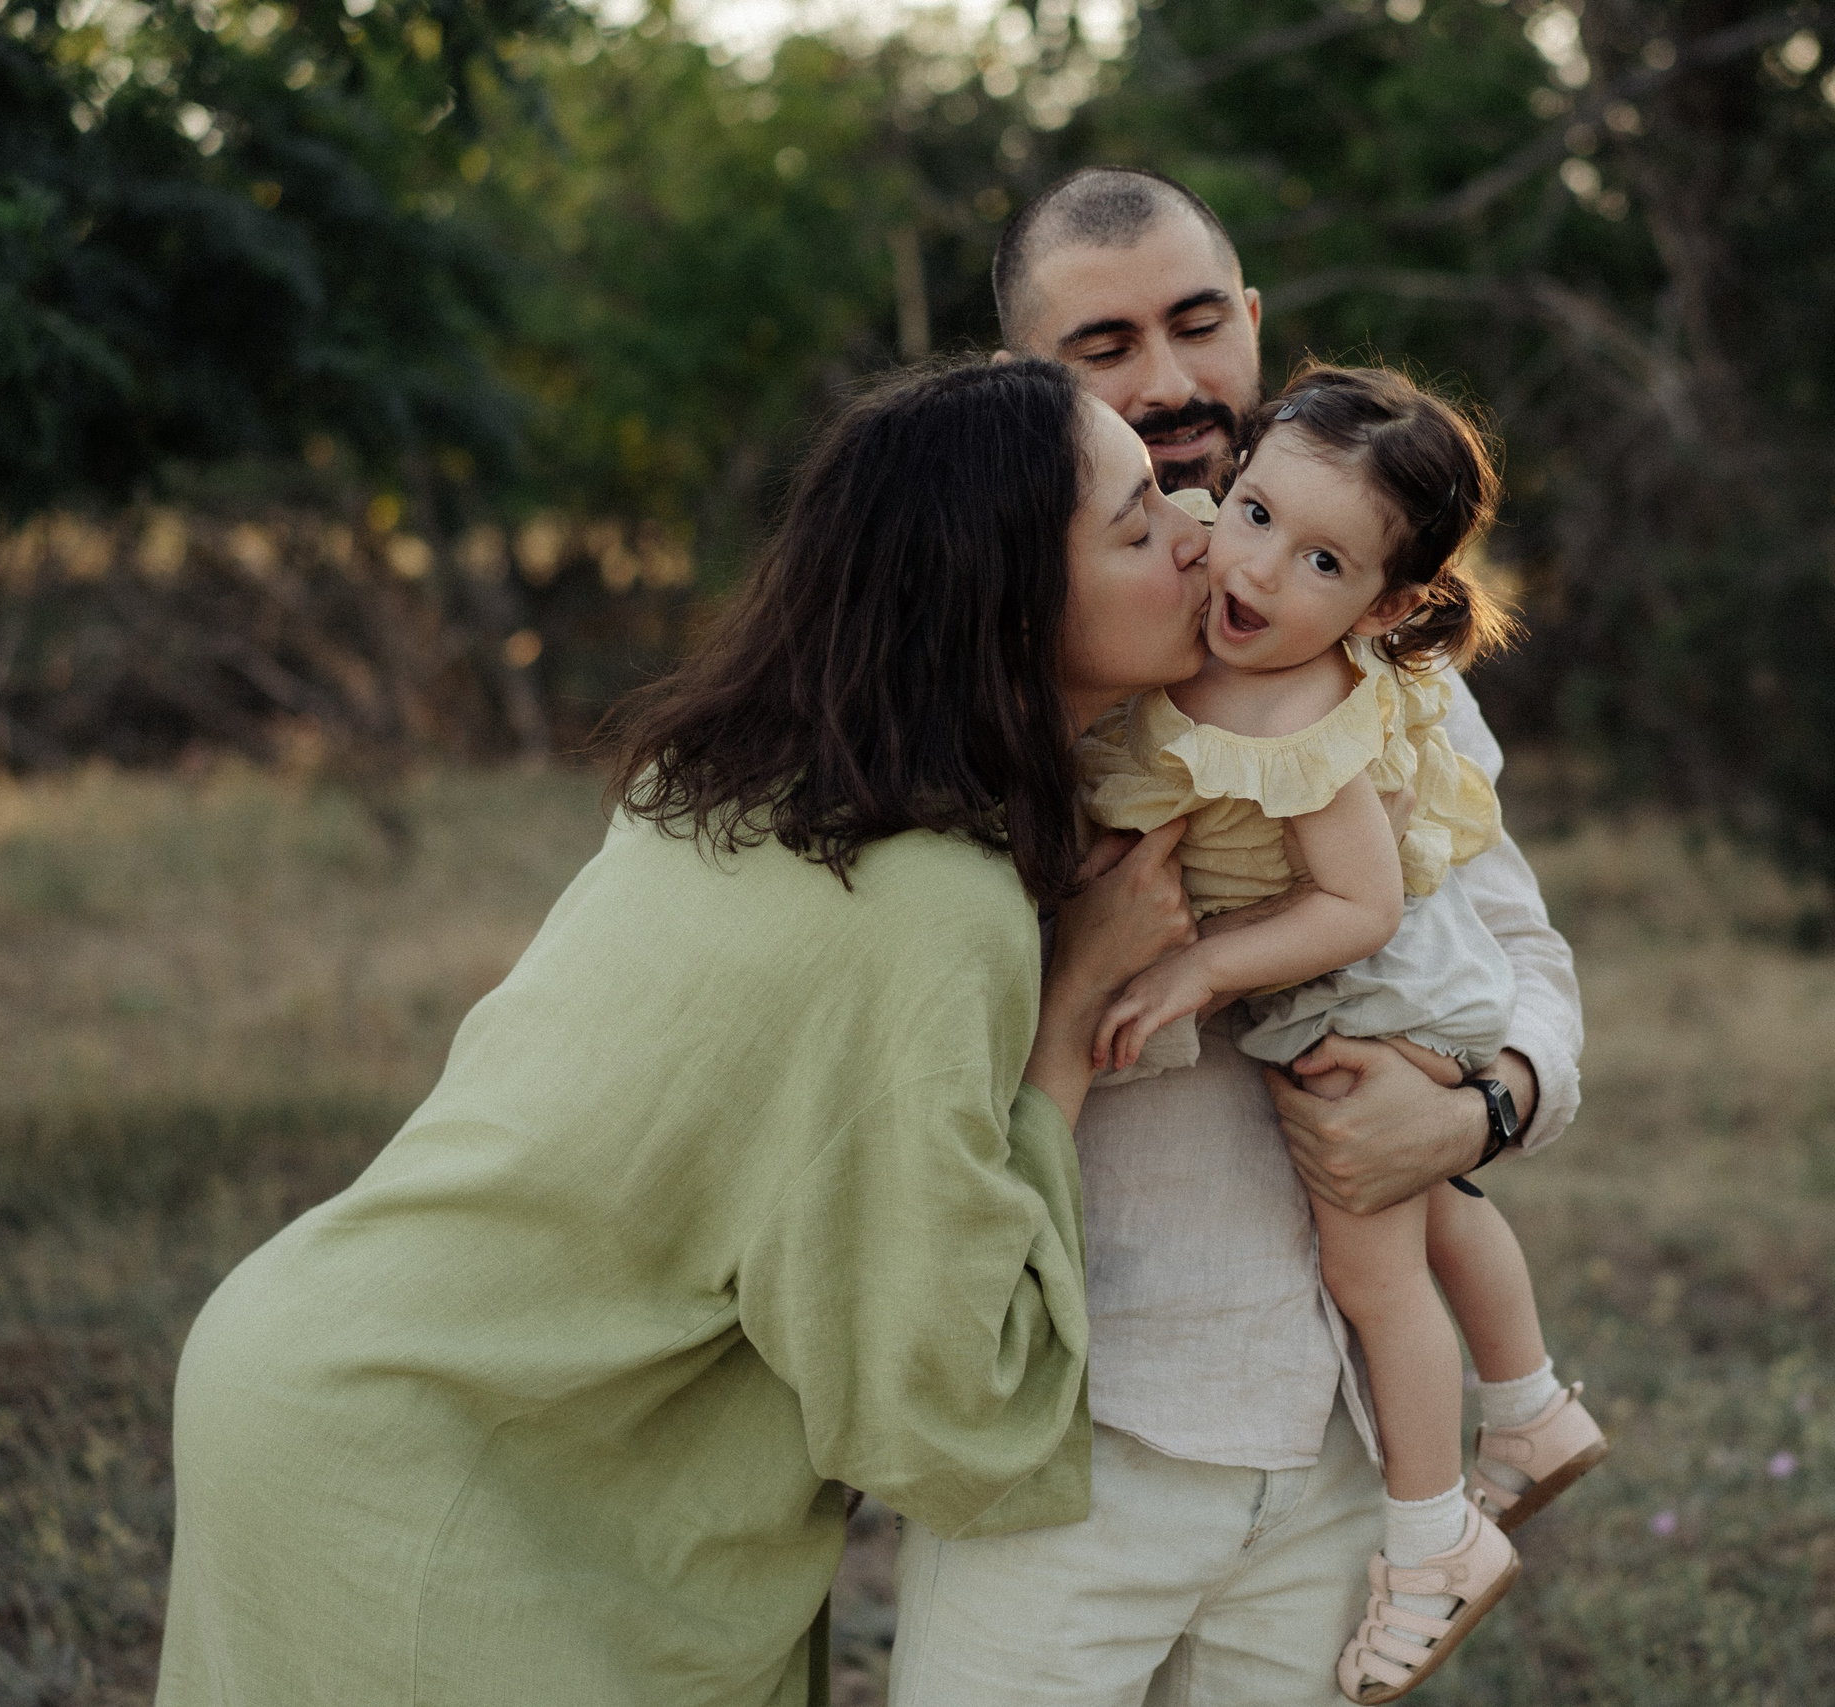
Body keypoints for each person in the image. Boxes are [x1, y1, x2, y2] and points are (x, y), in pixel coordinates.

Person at [154, 358, 1215, 1707]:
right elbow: (933, 1383)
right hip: (451, 1474)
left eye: (1171, 489)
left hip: (315, 1372)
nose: (1198, 522)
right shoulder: (934, 902)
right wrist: (1072, 1019)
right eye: (1137, 522)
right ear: (1001, 598)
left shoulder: (726, 782)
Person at [890, 170, 1586, 1707]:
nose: (1168, 381)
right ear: (1024, 382)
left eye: (1200, 325)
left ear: (1254, 321)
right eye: (1105, 347)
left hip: (1338, 1444)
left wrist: (1477, 1108)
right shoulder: (982, 658)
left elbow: (1520, 954)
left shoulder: (1363, 639)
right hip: (1080, 1438)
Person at [1081, 364, 1609, 1704]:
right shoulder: (1197, 576)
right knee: (1435, 1214)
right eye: (1252, 516)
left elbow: (1360, 903)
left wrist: (1201, 968)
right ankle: (1534, 1406)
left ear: (1384, 608)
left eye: (1318, 560)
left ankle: (1434, 1546)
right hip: (1385, 983)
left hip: (1376, 992)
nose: (1253, 566)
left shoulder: (1301, 708)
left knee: (1374, 1266)